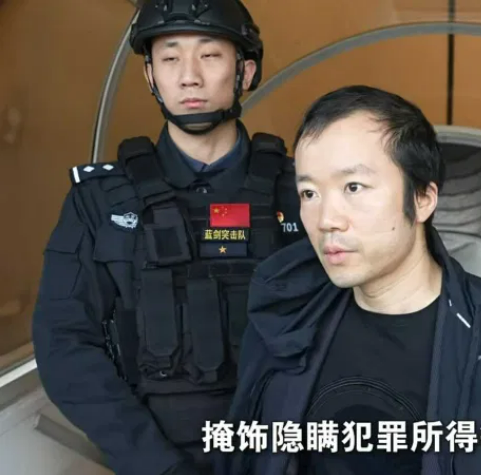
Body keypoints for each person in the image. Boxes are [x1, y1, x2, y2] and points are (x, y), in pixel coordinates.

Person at [216, 85, 481, 475]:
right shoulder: (284, 322)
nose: (326, 220)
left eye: (353, 187)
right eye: (308, 193)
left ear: (422, 198)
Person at [31, 1, 305, 474]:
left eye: (210, 55)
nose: (189, 77)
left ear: (246, 71)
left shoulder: (304, 191)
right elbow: (64, 343)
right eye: (170, 58)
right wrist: (156, 465)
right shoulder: (100, 201)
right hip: (156, 453)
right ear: (150, 76)